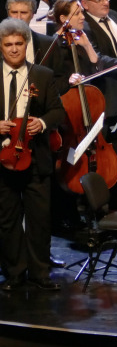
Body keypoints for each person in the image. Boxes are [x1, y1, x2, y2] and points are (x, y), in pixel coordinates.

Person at [0, 19, 65, 293]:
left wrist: (43, 123)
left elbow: (57, 112)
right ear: (1, 47)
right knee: (7, 219)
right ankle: (15, 274)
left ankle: (40, 273)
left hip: (36, 158)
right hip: (3, 159)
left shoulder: (42, 75)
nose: (14, 50)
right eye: (8, 45)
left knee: (39, 218)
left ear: (26, 45)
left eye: (18, 44)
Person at [5, 0, 53, 66]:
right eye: (14, 12)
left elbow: (57, 75)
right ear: (8, 13)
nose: (18, 17)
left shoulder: (48, 44)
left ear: (32, 15)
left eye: (23, 13)